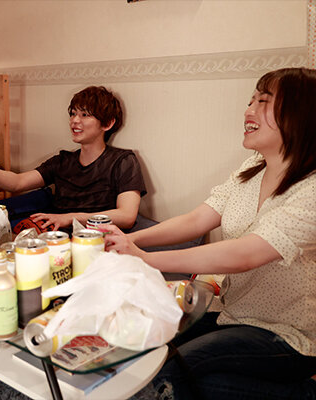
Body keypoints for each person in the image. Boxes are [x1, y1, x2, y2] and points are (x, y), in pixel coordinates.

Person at [105, 67, 316, 399]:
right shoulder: (251, 169)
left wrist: (146, 258)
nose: (248, 110)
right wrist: (131, 239)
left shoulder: (312, 189)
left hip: (289, 335)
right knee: (152, 350)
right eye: (250, 100)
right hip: (233, 315)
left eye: (263, 101)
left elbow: (245, 254)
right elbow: (196, 220)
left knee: (171, 373)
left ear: (301, 113)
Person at [0, 86, 146, 233]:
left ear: (108, 123)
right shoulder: (63, 161)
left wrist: (69, 218)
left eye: (84, 115)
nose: (74, 120)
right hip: (54, 235)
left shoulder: (122, 161)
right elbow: (18, 182)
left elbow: (127, 216)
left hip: (93, 238)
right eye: (73, 114)